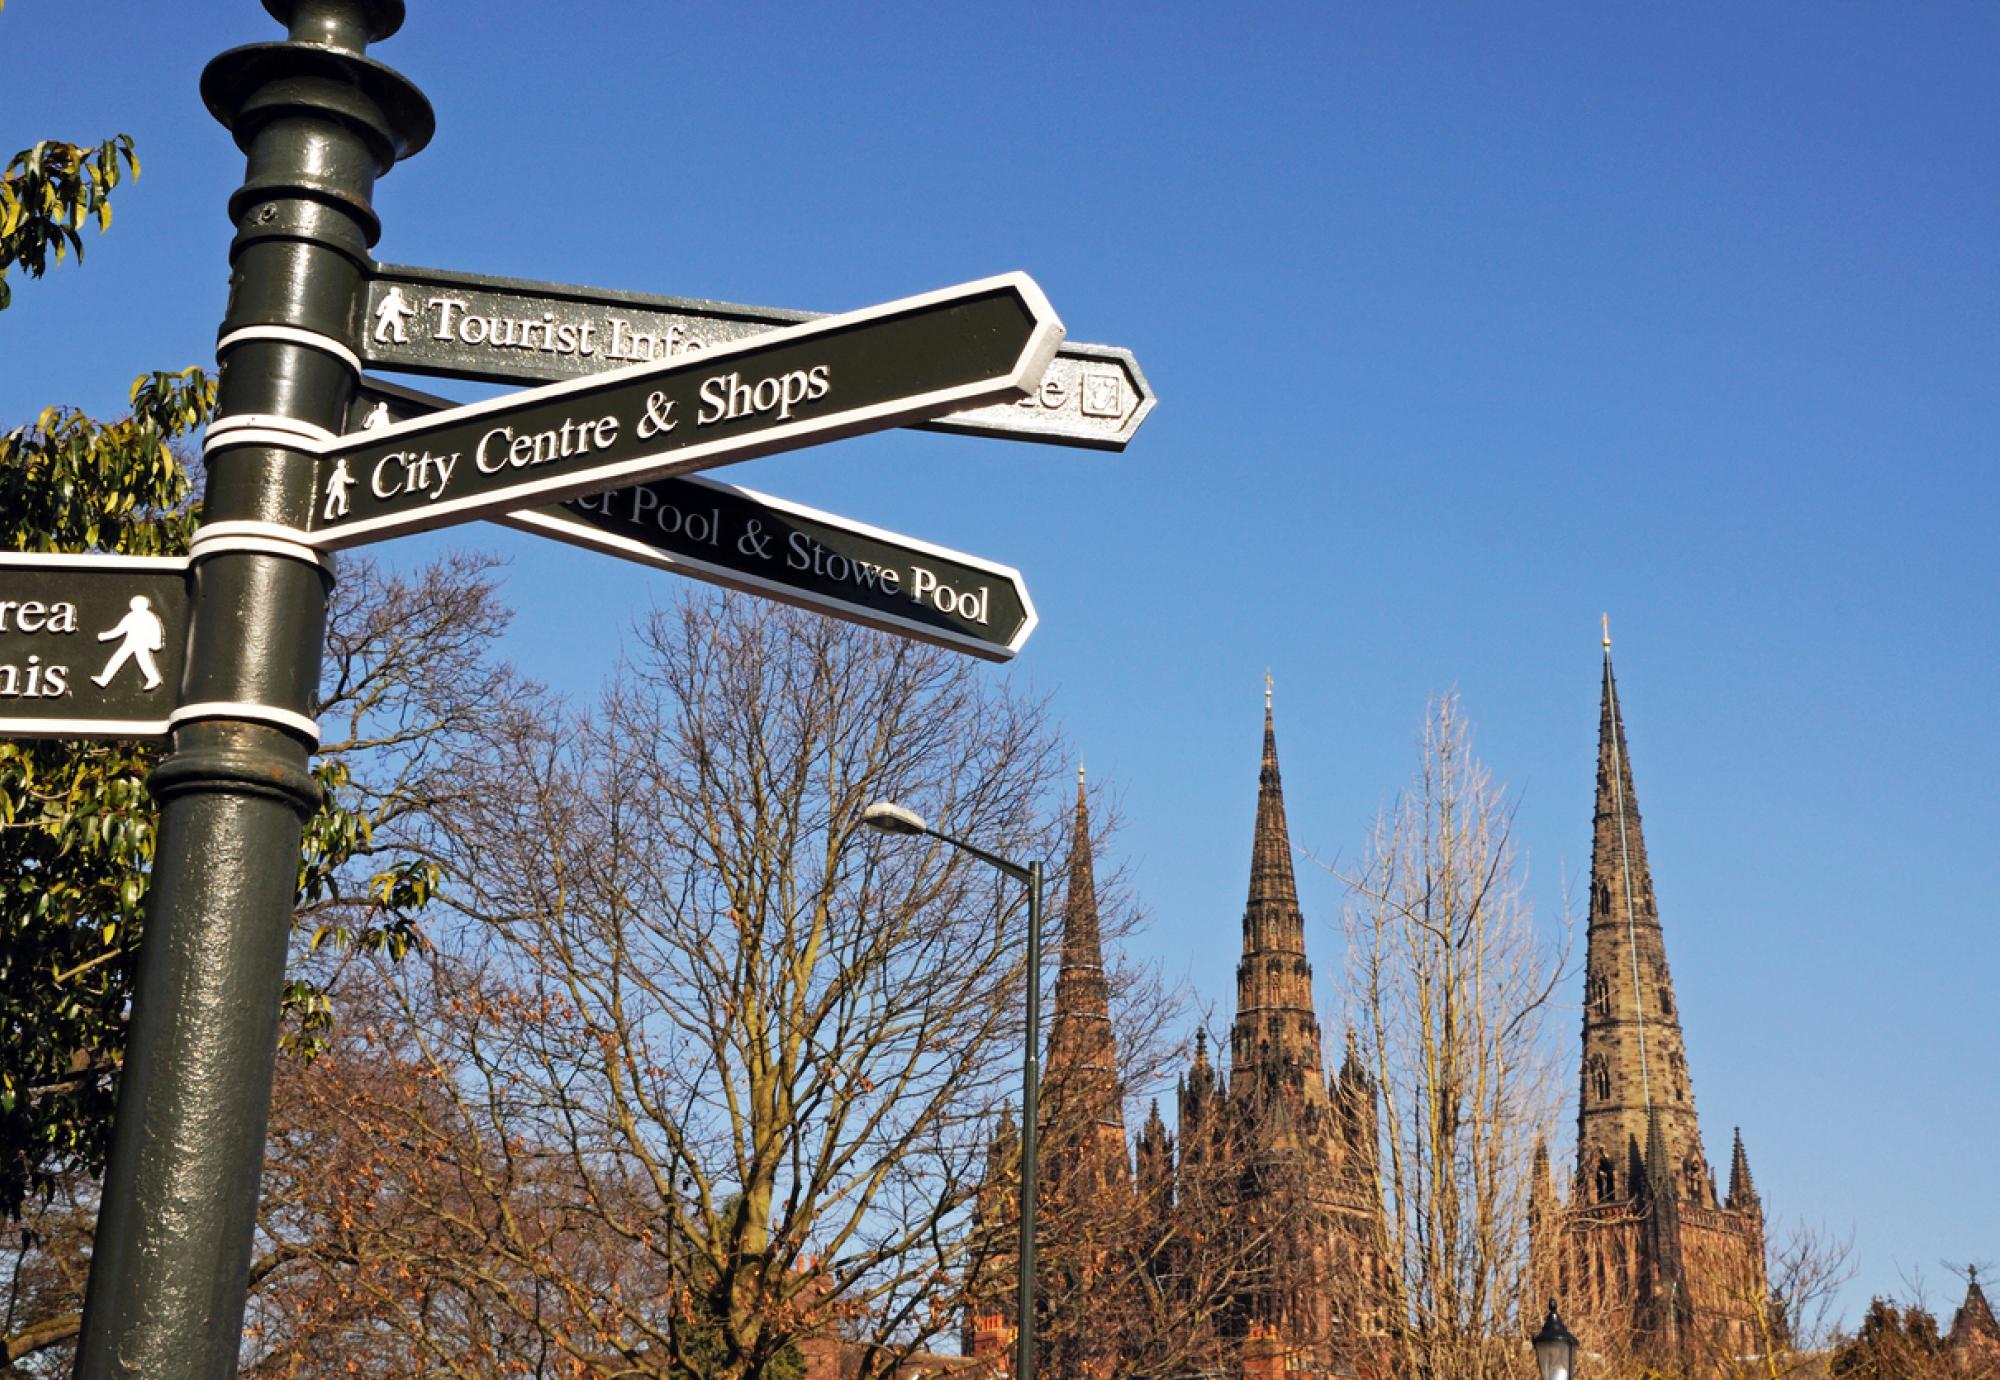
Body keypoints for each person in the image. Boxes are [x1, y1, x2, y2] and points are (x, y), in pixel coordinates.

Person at [91, 596, 166, 691]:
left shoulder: (149, 617)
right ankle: (104, 679)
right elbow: (119, 630)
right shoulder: (130, 616)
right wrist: (105, 636)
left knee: (143, 661)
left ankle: (154, 679)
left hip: (142, 643)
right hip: (130, 642)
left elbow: (156, 630)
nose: (134, 605)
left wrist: (156, 642)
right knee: (117, 659)